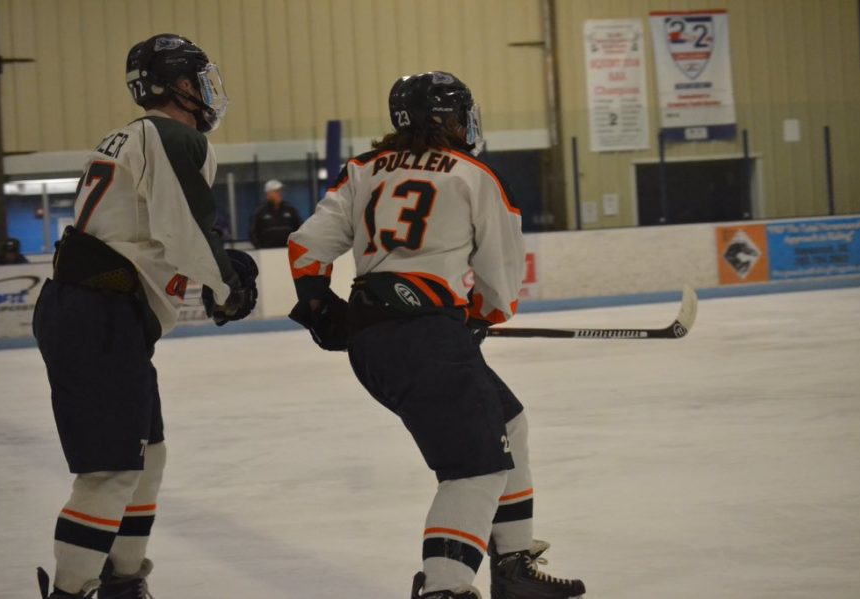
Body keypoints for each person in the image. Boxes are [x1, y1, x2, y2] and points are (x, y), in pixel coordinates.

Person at [287, 71, 585, 599]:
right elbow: (500, 289)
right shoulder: (474, 175)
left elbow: (306, 249)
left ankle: (514, 566)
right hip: (426, 341)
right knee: (473, 469)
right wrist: (476, 319)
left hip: (372, 341)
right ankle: (445, 588)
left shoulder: (362, 169)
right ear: (450, 118)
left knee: (508, 422)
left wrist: (318, 306)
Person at [32, 33, 258, 599]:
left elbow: (148, 229)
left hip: (101, 310)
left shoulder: (130, 136)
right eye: (200, 80)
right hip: (99, 314)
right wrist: (228, 284)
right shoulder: (174, 135)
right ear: (181, 84)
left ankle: (124, 581)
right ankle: (73, 591)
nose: (207, 92)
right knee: (109, 471)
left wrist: (219, 266)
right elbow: (186, 227)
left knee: (146, 456)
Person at [249, 178, 301, 248]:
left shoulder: (291, 210)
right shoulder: (260, 211)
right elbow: (253, 232)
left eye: (281, 191)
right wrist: (260, 248)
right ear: (268, 194)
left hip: (288, 250)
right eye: (277, 191)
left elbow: (300, 228)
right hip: (266, 252)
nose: (280, 193)